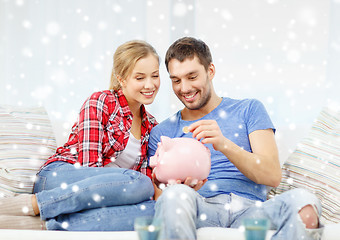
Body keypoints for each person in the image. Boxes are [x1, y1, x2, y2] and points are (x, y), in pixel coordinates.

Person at [148, 37, 323, 240]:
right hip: (200, 207)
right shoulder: (162, 132)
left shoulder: (249, 109)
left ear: (210, 71)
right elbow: (162, 202)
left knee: (305, 203)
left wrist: (224, 144)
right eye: (176, 80)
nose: (184, 88)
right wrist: (181, 188)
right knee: (175, 197)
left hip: (252, 211)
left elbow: (272, 175)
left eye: (192, 76)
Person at [0, 40, 160, 231]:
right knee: (141, 183)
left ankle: (45, 225)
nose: (150, 84)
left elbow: (138, 191)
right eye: (140, 78)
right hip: (60, 178)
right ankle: (31, 204)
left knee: (153, 209)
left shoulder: (151, 126)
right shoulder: (101, 102)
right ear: (122, 78)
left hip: (100, 194)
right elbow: (89, 166)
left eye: (155, 76)